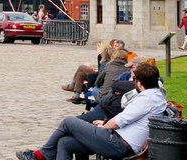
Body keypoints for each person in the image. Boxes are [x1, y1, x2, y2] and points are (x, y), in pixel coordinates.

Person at [16, 63, 167, 160]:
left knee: (69, 121)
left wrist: (105, 126)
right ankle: (44, 154)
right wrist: (106, 123)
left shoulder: (146, 99)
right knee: (65, 142)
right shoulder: (156, 96)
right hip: (119, 139)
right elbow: (127, 120)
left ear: (139, 82)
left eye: (134, 79)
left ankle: (42, 155)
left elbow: (120, 121)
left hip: (119, 144)